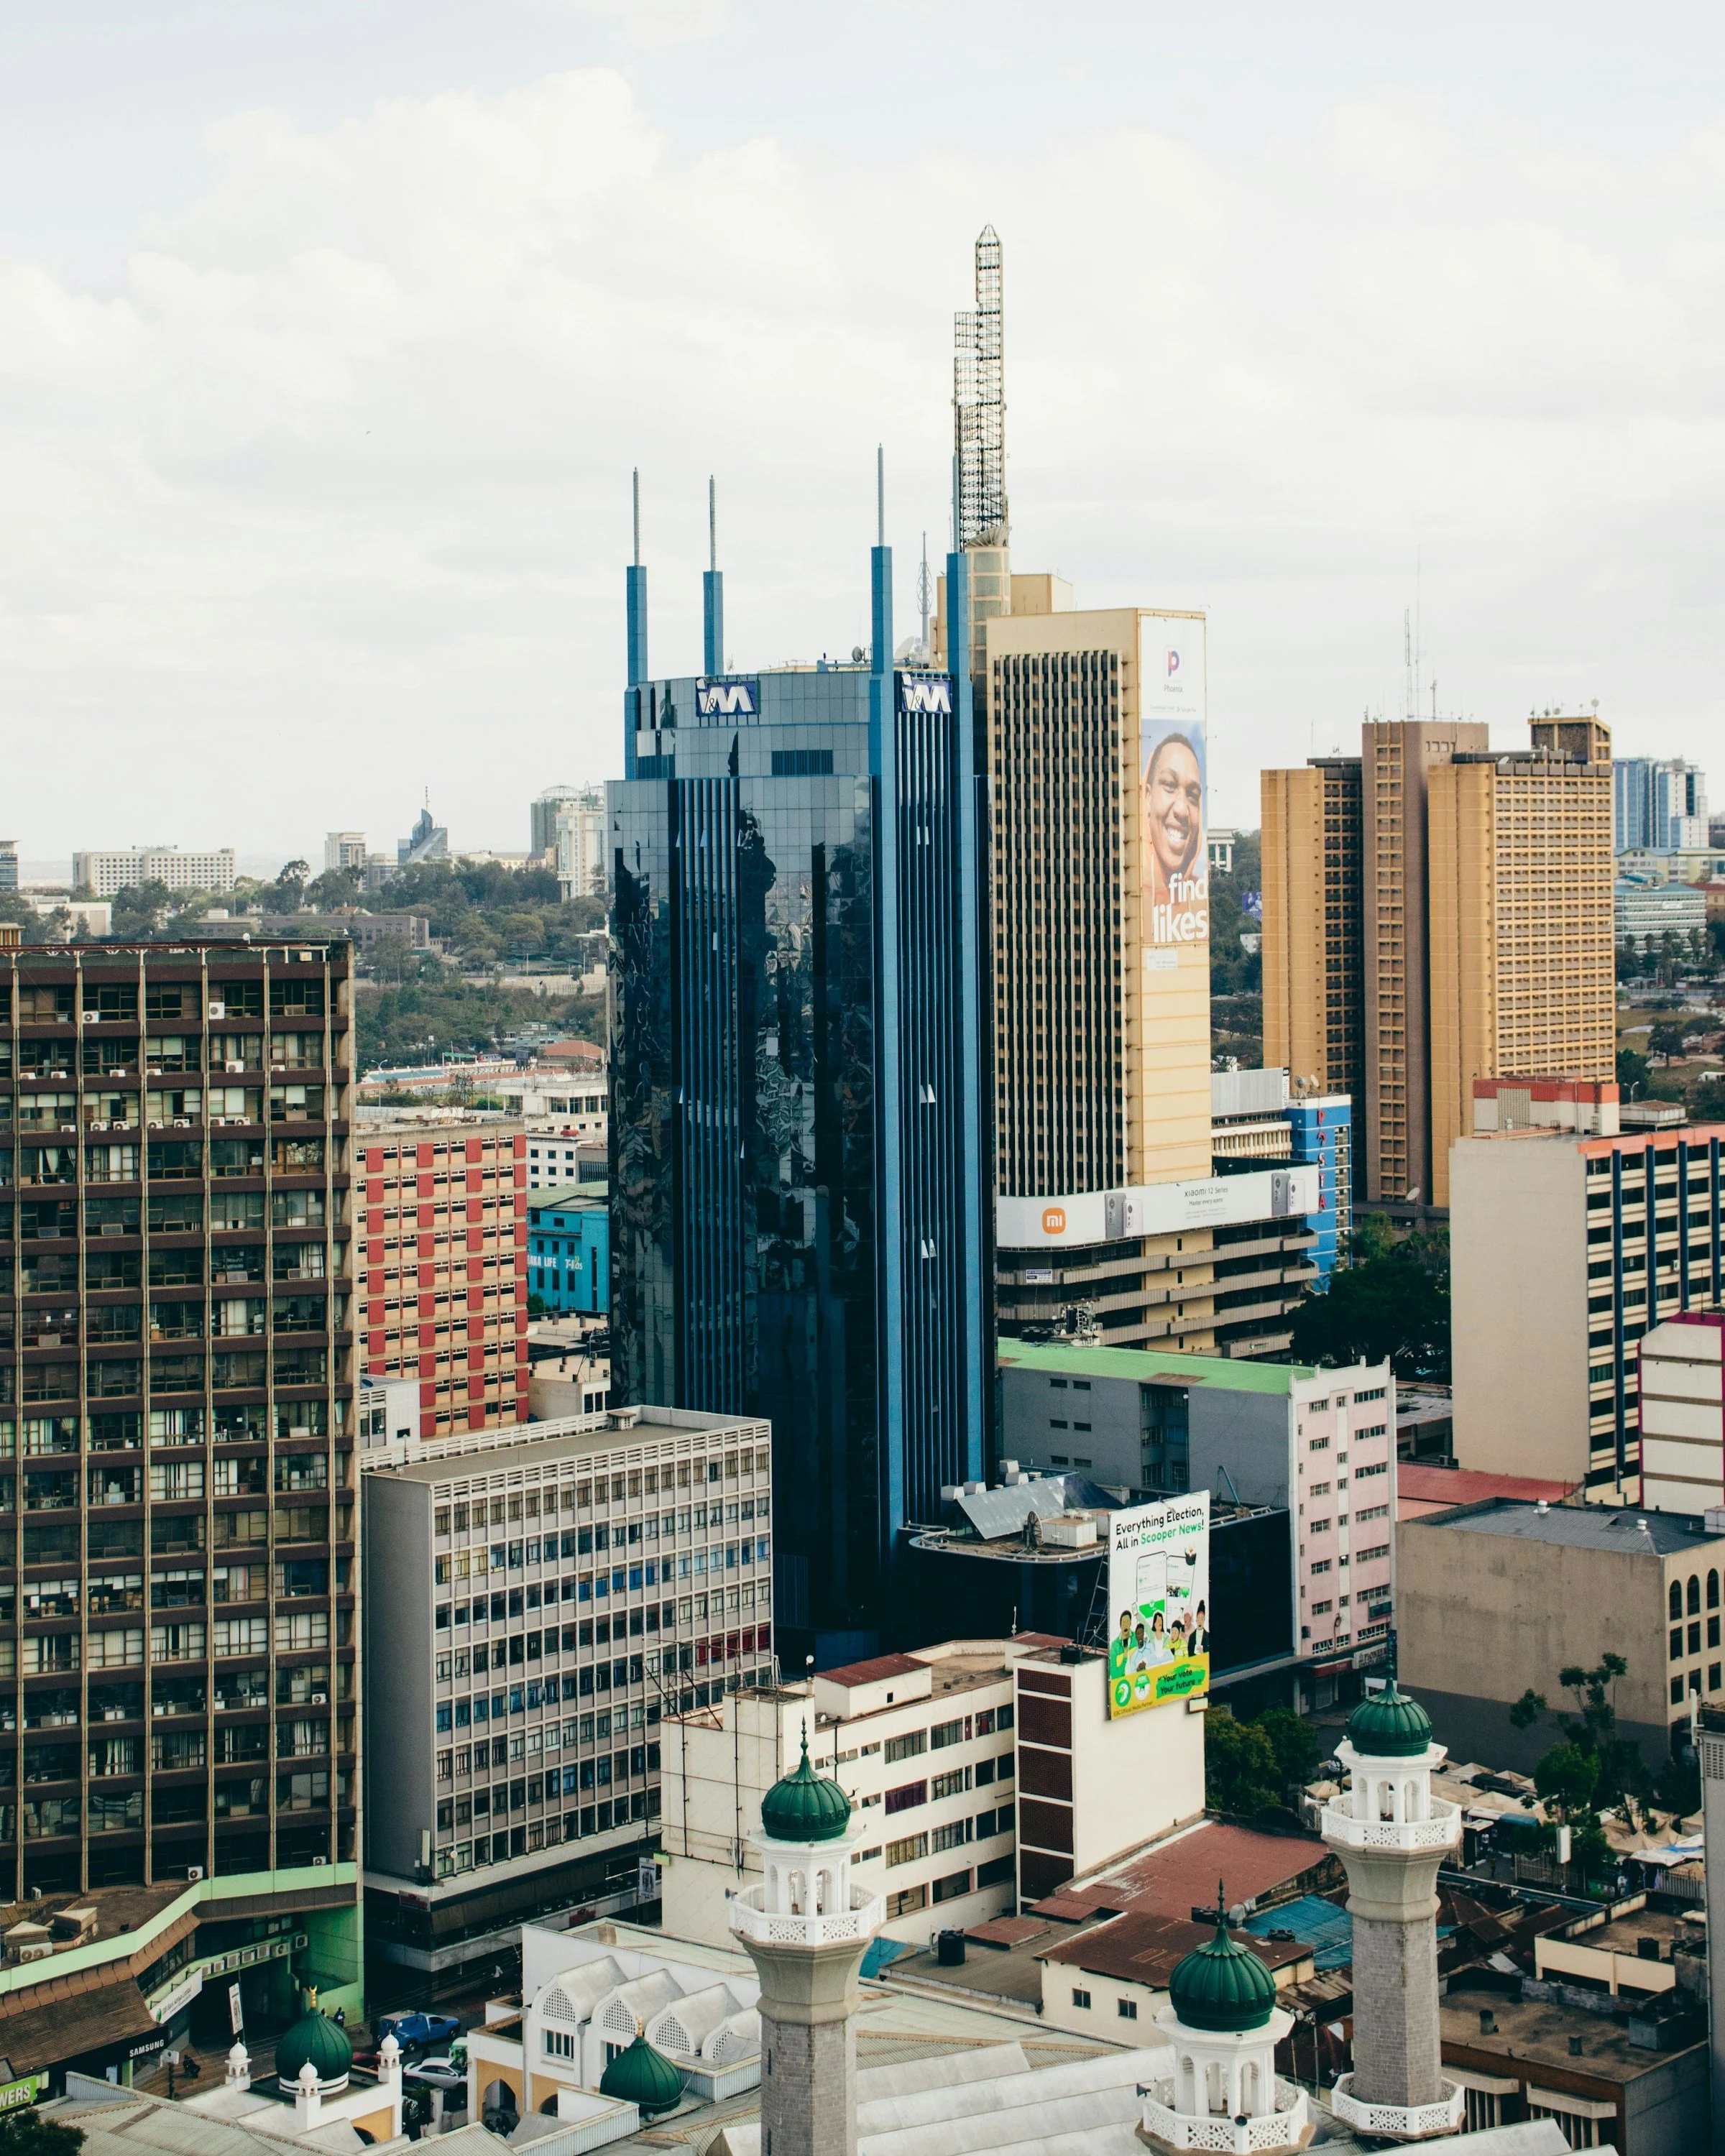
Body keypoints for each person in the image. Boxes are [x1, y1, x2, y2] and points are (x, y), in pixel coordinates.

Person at [1143, 732, 1205, 923]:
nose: (1182, 810)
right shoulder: (1127, 892)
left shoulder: (1199, 901)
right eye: (1169, 785)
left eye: (1193, 795)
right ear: (1147, 798)